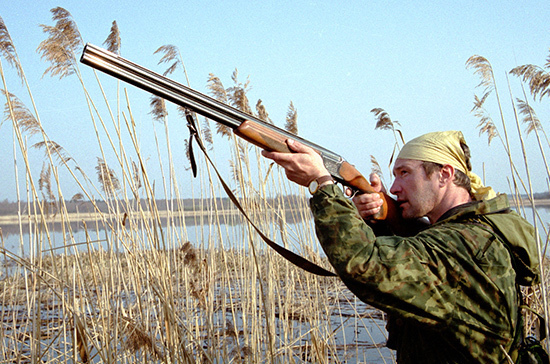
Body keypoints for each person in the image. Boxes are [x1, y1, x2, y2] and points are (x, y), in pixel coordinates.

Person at [262, 130, 540, 364]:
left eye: (405, 173)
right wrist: (381, 221)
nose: (394, 187)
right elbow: (416, 260)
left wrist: (322, 184)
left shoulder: (462, 243)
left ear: (444, 174)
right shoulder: (478, 230)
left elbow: (364, 264)